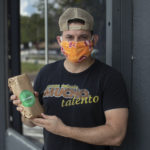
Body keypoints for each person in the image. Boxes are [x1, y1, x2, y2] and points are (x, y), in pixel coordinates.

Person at [11, 7, 129, 150]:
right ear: (60, 41)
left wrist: (62, 130)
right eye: (69, 37)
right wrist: (27, 109)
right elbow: (30, 123)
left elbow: (116, 135)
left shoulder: (110, 77)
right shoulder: (46, 73)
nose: (76, 43)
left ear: (94, 40)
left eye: (83, 37)